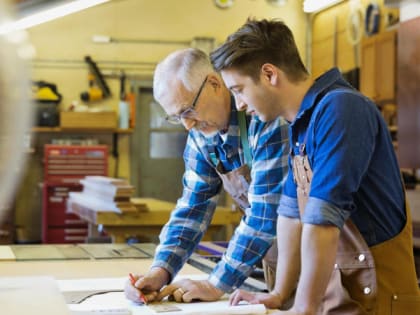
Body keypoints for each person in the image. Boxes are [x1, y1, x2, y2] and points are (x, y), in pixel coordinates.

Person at [210, 18, 420, 315]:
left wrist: (304, 309)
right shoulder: (301, 124)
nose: (239, 104)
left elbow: (322, 220)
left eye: (239, 89)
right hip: (351, 294)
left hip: (382, 300)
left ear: (269, 74)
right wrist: (280, 294)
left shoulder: (341, 109)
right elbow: (290, 215)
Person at [124, 48, 289, 304]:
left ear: (214, 83)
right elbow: (193, 207)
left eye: (188, 110)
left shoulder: (264, 118)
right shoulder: (202, 136)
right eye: (176, 117)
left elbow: (265, 213)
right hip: (276, 260)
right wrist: (161, 270)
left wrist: (215, 284)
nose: (187, 125)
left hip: (321, 257)